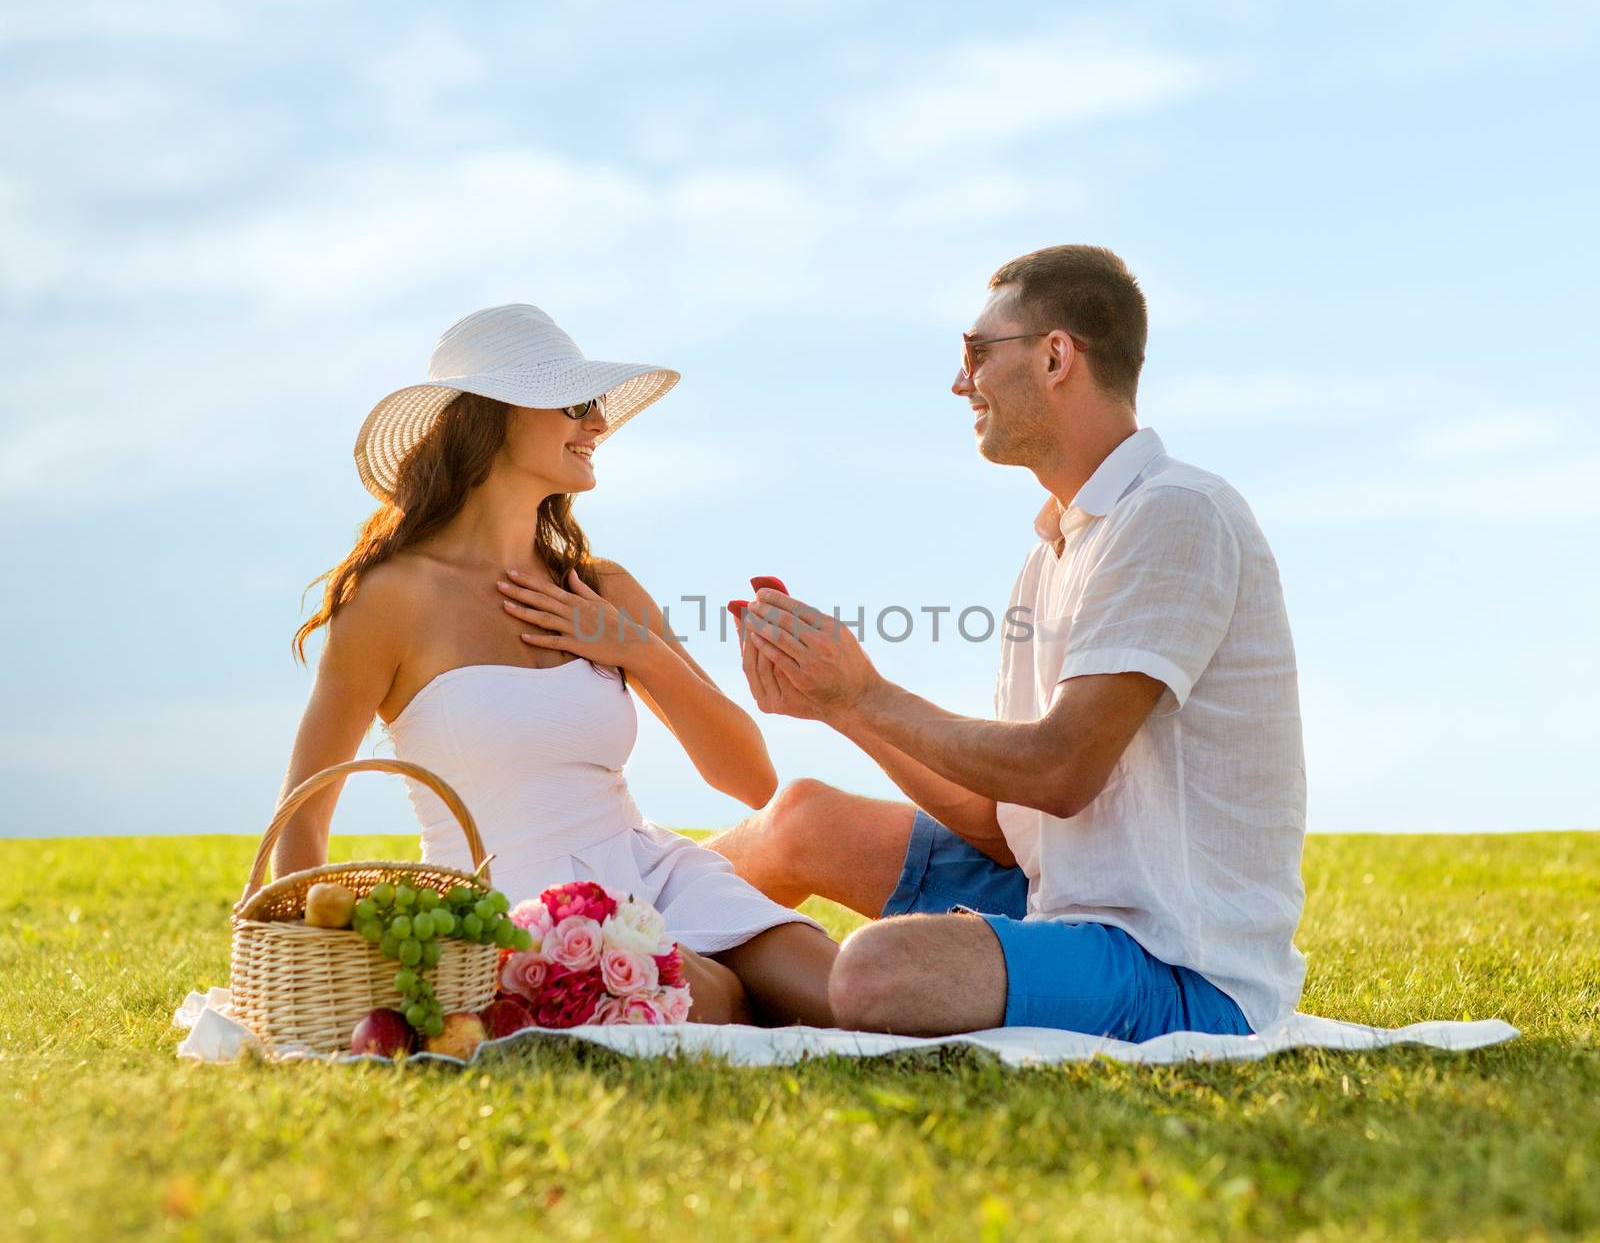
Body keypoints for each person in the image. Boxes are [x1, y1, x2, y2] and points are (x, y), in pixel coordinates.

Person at [712, 245, 1307, 1041]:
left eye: (976, 353)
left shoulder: (1176, 513)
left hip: (1176, 966)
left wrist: (864, 692)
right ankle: (585, 935)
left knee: (875, 972)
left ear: (1057, 355)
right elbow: (1003, 825)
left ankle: (688, 990)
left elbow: (1060, 770)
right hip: (1052, 899)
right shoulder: (1051, 552)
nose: (962, 382)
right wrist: (839, 706)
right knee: (799, 819)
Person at [269, 303, 837, 1026]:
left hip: (658, 872)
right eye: (575, 403)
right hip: (523, 917)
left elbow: (751, 779)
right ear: (493, 416)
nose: (597, 423)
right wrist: (316, 960)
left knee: (856, 992)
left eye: (595, 404)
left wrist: (635, 648)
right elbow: (304, 814)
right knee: (725, 999)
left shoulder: (603, 589)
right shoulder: (391, 600)